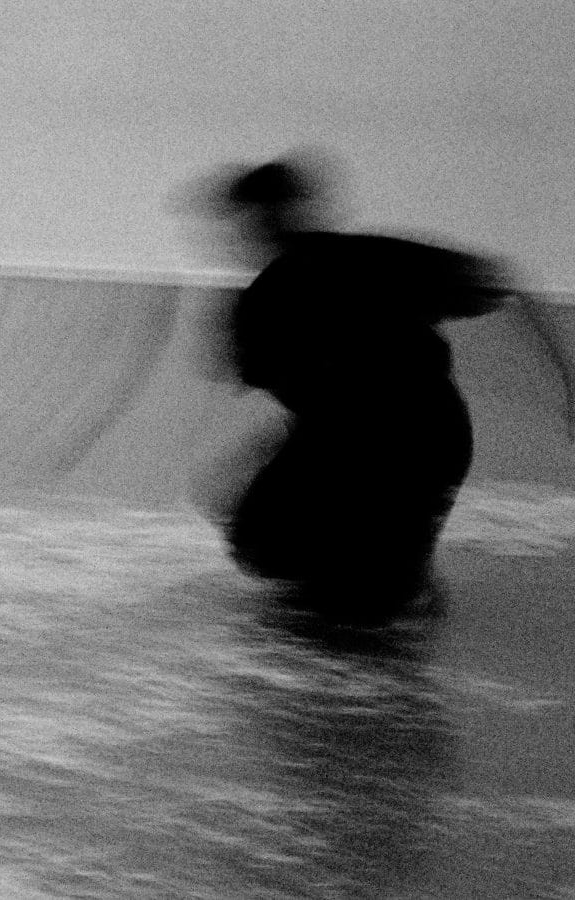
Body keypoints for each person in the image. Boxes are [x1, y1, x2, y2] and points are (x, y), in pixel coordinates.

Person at [193, 153, 510, 621]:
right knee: (274, 547)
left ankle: (382, 589)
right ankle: (379, 587)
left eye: (248, 218)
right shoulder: (339, 267)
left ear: (276, 213)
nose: (241, 233)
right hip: (403, 435)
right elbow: (486, 284)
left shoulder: (300, 281)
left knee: (339, 574)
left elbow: (485, 284)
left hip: (407, 438)